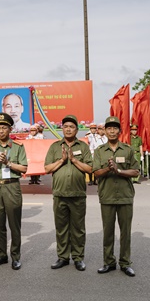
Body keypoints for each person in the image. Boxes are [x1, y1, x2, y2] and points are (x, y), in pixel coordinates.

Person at [93, 116, 140, 277]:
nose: (112, 131)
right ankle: (108, 262)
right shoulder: (100, 151)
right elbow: (96, 173)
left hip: (125, 196)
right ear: (104, 131)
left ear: (120, 131)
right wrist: (108, 168)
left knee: (125, 232)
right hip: (107, 196)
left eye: (115, 128)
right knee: (108, 231)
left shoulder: (128, 149)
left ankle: (125, 263)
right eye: (109, 128)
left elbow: (135, 171)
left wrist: (118, 171)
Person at [44, 115, 92, 271]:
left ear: (77, 129)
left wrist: (75, 160)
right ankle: (63, 257)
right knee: (61, 227)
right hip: (60, 194)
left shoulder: (83, 147)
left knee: (78, 228)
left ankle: (78, 258)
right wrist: (62, 160)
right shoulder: (55, 147)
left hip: (78, 194)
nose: (68, 129)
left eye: (72, 126)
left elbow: (90, 169)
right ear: (62, 129)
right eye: (65, 126)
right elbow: (47, 168)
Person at [0, 112, 28, 270]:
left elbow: (24, 168)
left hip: (12, 186)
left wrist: (8, 163)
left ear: (10, 129)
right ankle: (1, 254)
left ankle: (16, 256)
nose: (1, 131)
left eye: (4, 128)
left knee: (14, 223)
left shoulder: (18, 147)